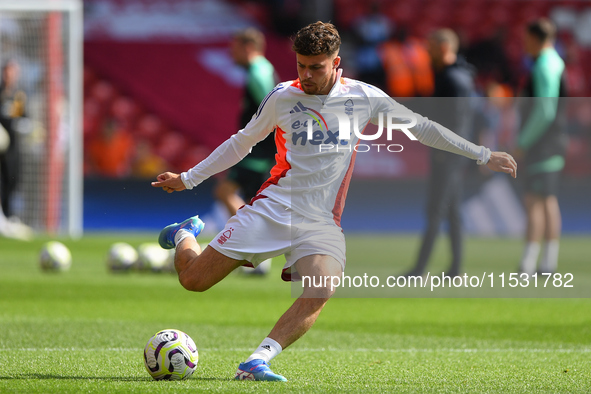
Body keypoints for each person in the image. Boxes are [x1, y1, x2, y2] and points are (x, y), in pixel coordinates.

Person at [151, 21, 517, 382]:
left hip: (321, 220)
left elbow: (422, 126)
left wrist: (482, 154)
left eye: (316, 67)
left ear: (336, 62)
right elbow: (240, 142)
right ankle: (186, 233)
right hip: (274, 207)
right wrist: (188, 178)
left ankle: (256, 361)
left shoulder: (363, 97)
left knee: (322, 287)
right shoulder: (282, 97)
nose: (306, 75)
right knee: (194, 281)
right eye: (301, 65)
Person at [404, 29, 476, 278]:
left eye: (432, 47)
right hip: (455, 154)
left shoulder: (451, 79)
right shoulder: (460, 75)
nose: (427, 52)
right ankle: (456, 268)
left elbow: (453, 122)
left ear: (444, 47)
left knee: (435, 209)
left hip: (447, 154)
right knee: (453, 210)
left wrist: (442, 150)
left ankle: (419, 269)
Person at [213, 28, 277, 275]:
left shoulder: (258, 73)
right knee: (251, 204)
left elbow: (273, 112)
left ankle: (255, 248)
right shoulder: (261, 70)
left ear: (248, 47)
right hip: (259, 150)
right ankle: (257, 253)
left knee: (225, 191)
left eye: (235, 47)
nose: (231, 52)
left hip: (257, 151)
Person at [516, 18, 567, 275]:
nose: (523, 43)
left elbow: (545, 110)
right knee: (547, 200)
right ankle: (547, 263)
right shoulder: (554, 62)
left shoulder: (544, 66)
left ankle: (529, 263)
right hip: (553, 142)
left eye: (526, 38)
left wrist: (522, 142)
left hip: (543, 145)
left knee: (534, 201)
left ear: (536, 39)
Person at [0, 60, 26, 218]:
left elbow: (22, 117)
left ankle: (9, 216)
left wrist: (25, 126)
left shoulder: (18, 95)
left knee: (12, 180)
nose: (8, 75)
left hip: (12, 147)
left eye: (12, 72)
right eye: (6, 71)